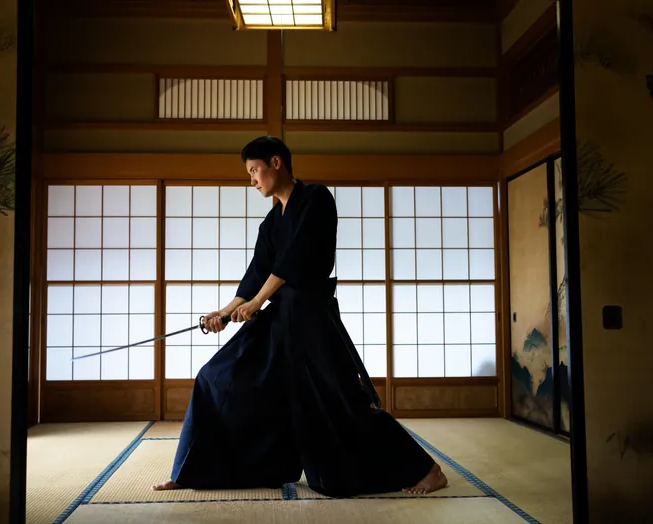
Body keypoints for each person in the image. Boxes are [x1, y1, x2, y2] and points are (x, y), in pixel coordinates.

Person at [152, 136, 447, 497]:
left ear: (276, 163)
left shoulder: (316, 200)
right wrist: (224, 311)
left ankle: (427, 470)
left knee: (340, 400)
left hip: (311, 319)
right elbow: (257, 272)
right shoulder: (271, 222)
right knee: (218, 377)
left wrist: (258, 302)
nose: (252, 180)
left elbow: (296, 260)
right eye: (249, 174)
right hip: (279, 320)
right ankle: (194, 470)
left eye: (255, 170)